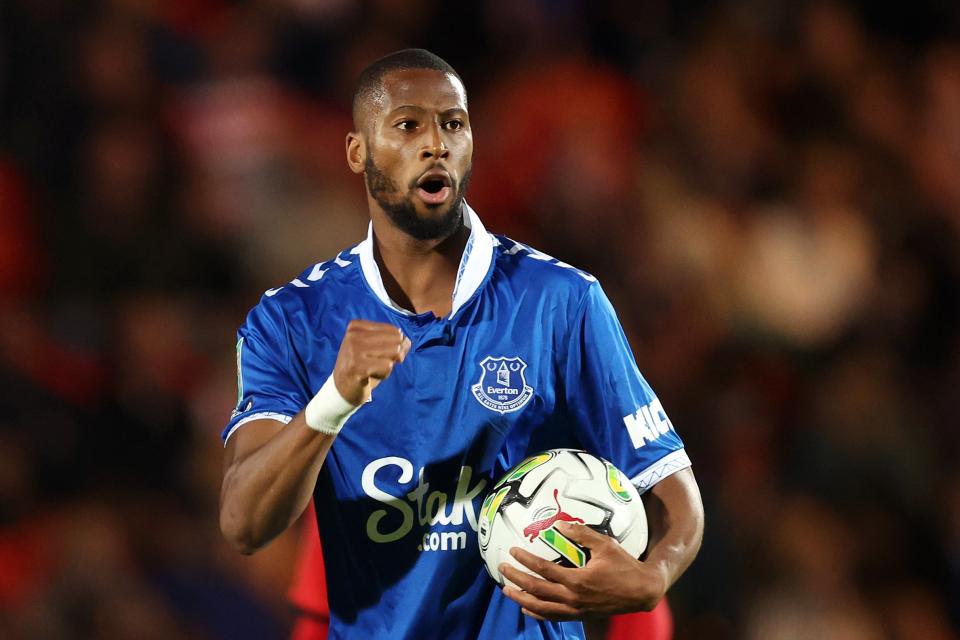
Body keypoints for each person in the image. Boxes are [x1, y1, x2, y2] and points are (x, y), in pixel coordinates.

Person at [219, 48, 704, 640]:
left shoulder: (561, 303)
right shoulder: (291, 321)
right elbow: (243, 524)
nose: (436, 144)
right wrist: (332, 402)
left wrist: (654, 576)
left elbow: (675, 494)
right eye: (407, 125)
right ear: (357, 151)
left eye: (454, 124)